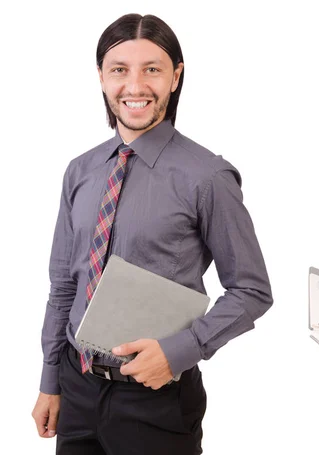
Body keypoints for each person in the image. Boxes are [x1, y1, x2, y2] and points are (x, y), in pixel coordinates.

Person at [31, 13, 273, 455]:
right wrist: (51, 381)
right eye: (120, 69)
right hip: (77, 389)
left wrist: (181, 350)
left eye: (152, 69)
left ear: (176, 77)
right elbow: (64, 284)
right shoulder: (80, 171)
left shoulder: (207, 177)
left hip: (156, 400)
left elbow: (252, 291)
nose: (135, 86)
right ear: (102, 78)